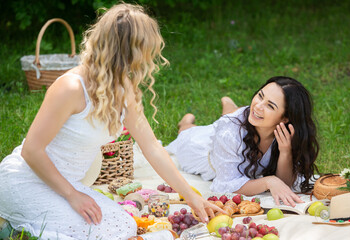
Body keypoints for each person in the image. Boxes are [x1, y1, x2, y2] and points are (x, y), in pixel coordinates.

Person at [0, 3, 223, 240]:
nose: (149, 60)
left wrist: (192, 196)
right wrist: (72, 195)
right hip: (28, 182)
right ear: (129, 52)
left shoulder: (123, 87)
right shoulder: (70, 87)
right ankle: (13, 228)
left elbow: (152, 148)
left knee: (124, 226)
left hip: (68, 184)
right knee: (106, 232)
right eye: (146, 51)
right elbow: (31, 151)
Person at [165, 76, 319, 207]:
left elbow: (285, 184)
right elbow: (226, 185)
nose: (258, 105)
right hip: (199, 151)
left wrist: (285, 151)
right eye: (260, 95)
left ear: (285, 118)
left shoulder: (285, 133)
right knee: (187, 133)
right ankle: (185, 122)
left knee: (236, 117)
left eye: (270, 105)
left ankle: (229, 105)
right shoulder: (229, 132)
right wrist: (268, 182)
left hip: (237, 128)